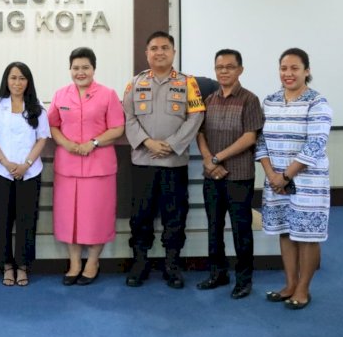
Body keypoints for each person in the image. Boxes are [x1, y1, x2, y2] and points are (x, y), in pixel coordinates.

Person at [122, 30, 205, 289]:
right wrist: (147, 142)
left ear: (174, 52)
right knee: (140, 216)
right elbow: (128, 117)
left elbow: (196, 117)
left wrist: (171, 145)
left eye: (165, 48)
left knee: (175, 215)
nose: (160, 52)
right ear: (146, 53)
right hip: (143, 162)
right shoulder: (134, 83)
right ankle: (140, 262)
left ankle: (172, 264)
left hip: (173, 163)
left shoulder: (188, 83)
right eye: (154, 48)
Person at [256, 48, 332, 310]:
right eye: (283, 68)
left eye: (294, 68)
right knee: (286, 232)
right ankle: (289, 284)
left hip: (308, 182)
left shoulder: (317, 102)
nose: (288, 74)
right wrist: (272, 175)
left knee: (306, 235)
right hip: (276, 180)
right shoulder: (270, 101)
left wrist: (287, 175)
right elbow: (261, 140)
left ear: (306, 71)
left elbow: (316, 144)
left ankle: (303, 289)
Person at [48, 47, 124, 286]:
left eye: (85, 67)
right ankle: (74, 263)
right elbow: (52, 126)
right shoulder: (60, 95)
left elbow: (117, 128)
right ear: (70, 69)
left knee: (96, 217)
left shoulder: (108, 94)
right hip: (67, 166)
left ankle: (92, 262)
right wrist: (66, 143)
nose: (80, 72)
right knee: (68, 217)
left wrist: (94, 142)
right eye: (76, 68)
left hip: (99, 166)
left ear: (94, 69)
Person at [195, 49, 263, 299]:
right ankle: (218, 273)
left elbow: (250, 137)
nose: (224, 71)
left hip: (239, 175)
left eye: (229, 67)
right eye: (219, 67)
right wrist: (208, 160)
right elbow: (199, 133)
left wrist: (217, 158)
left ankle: (244, 280)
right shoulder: (209, 100)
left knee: (241, 229)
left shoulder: (249, 100)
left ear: (240, 70)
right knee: (214, 227)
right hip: (212, 175)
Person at [0, 62, 50, 287]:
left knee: (26, 221)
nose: (17, 82)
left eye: (22, 78)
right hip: (1, 172)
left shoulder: (37, 106)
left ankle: (22, 266)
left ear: (28, 82)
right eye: (13, 78)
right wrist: (6, 163)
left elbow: (42, 138)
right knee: (2, 221)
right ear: (6, 80)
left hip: (29, 173)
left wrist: (26, 164)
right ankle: (6, 266)